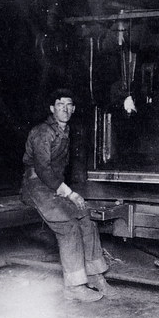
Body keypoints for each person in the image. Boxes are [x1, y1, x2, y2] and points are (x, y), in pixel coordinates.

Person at [22, 89, 111, 302]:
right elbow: (42, 169)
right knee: (68, 227)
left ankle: (95, 276)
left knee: (86, 219)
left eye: (69, 105)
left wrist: (68, 193)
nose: (65, 109)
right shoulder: (43, 132)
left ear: (74, 108)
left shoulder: (64, 130)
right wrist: (70, 194)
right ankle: (74, 286)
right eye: (60, 105)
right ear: (52, 108)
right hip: (36, 186)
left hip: (54, 187)